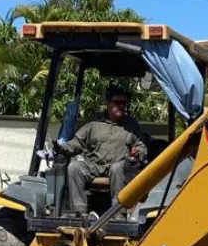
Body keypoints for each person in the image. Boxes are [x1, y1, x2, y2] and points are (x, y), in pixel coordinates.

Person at [58, 84, 154, 216]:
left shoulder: (131, 125)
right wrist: (62, 148)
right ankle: (79, 212)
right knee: (74, 167)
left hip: (119, 167)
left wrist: (138, 151)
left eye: (124, 103)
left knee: (116, 168)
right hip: (95, 166)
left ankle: (118, 213)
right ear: (108, 103)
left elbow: (142, 147)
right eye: (117, 102)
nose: (122, 106)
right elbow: (77, 143)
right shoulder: (94, 124)